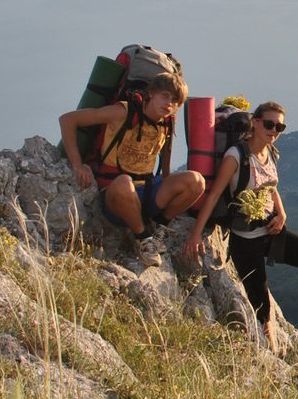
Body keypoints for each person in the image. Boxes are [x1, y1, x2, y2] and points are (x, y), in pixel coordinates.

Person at [181, 102, 298, 354]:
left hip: (272, 232)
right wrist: (195, 235)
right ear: (255, 122)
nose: (274, 130)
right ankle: (273, 358)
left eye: (279, 126)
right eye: (269, 124)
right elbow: (214, 196)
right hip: (245, 241)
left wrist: (282, 213)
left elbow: (270, 185)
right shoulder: (236, 156)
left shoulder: (269, 151)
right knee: (263, 309)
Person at [59, 72, 204, 266]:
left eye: (176, 101)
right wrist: (77, 164)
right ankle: (143, 239)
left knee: (196, 181)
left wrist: (173, 190)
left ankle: (159, 230)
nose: (169, 103)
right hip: (116, 195)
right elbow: (67, 120)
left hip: (147, 190)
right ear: (151, 93)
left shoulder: (166, 123)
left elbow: (166, 170)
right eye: (165, 95)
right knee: (124, 183)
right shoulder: (123, 112)